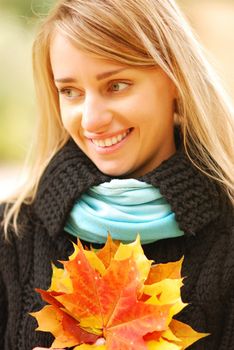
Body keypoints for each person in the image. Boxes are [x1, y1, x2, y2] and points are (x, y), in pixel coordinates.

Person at [0, 0, 233, 349]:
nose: (91, 119)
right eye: (70, 91)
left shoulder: (227, 235)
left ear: (176, 80)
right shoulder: (11, 232)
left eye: (116, 85)